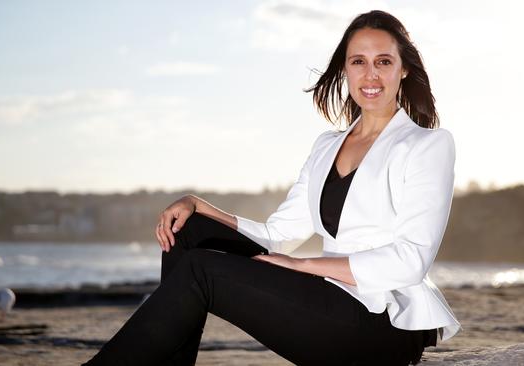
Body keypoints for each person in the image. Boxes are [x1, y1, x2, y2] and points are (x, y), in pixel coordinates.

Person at [82, 9, 461, 366]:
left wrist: (302, 266)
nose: (370, 75)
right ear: (345, 70)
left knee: (201, 270)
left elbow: (410, 261)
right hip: (329, 302)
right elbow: (277, 236)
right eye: (358, 62)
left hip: (382, 324)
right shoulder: (327, 146)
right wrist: (200, 206)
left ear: (404, 69)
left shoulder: (427, 145)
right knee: (189, 231)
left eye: (383, 61)